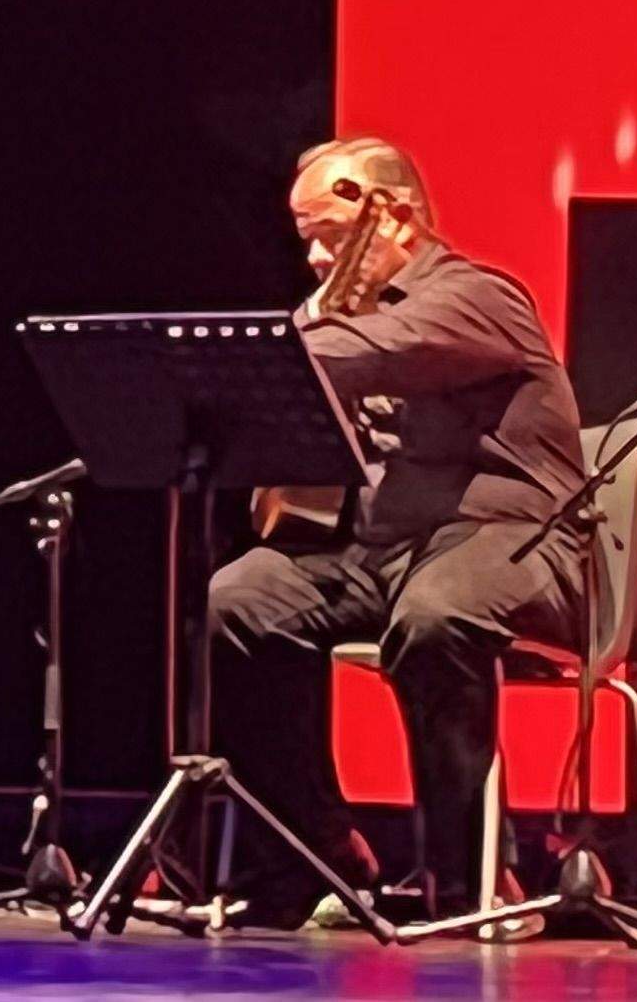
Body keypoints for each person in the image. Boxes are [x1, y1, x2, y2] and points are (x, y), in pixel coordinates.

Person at [204, 137, 584, 926]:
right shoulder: (338, 321)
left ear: (396, 219)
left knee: (437, 612)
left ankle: (474, 877)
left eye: (330, 237)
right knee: (241, 597)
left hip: (512, 543)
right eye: (304, 238)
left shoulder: (477, 295)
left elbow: (375, 350)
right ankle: (319, 852)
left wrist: (275, 351)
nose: (313, 258)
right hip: (384, 551)